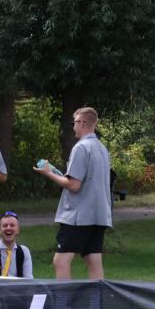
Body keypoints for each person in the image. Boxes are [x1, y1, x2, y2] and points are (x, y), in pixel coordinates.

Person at [34, 107, 112, 280]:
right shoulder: (102, 149)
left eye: (75, 122)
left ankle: (64, 298)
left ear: (82, 123)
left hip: (79, 216)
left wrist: (48, 173)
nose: (73, 126)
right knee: (93, 260)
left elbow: (74, 185)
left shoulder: (81, 147)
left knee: (60, 261)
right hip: (99, 215)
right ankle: (98, 298)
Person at [0, 211, 33, 278]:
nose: (8, 228)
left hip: (19, 285)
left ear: (18, 230)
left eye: (12, 225)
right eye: (5, 225)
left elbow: (28, 279)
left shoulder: (24, 251)